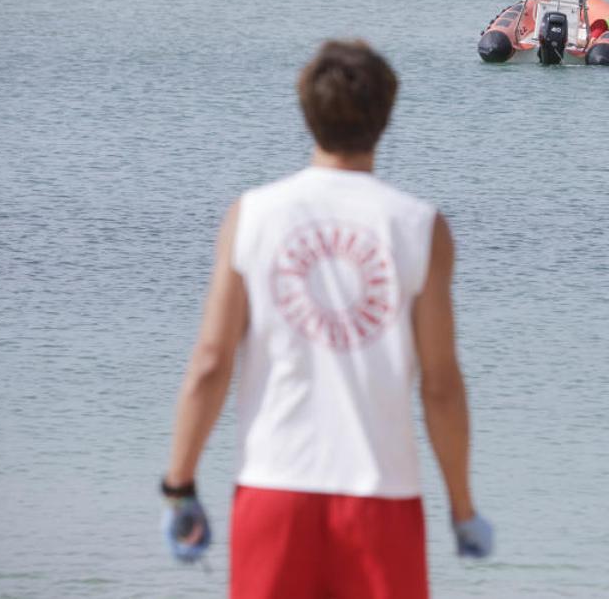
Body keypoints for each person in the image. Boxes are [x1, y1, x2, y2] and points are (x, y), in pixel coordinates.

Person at [161, 39, 493, 598]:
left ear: (306, 112)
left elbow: (211, 363)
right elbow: (440, 385)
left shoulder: (252, 216)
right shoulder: (419, 226)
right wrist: (461, 506)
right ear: (387, 115)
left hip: (273, 493)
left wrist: (181, 485)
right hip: (382, 499)